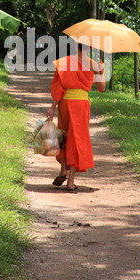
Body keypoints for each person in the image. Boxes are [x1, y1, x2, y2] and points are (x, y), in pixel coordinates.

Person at [46, 43, 106, 191]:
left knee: (64, 135)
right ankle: (70, 182)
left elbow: (59, 88)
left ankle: (63, 170)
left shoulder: (65, 62)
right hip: (81, 105)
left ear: (75, 46)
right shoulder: (93, 65)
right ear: (90, 48)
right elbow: (101, 88)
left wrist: (52, 107)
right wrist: (102, 71)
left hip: (65, 103)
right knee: (77, 139)